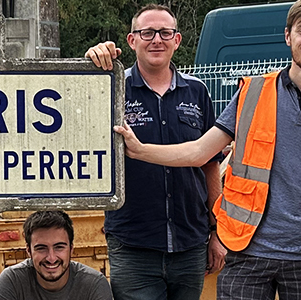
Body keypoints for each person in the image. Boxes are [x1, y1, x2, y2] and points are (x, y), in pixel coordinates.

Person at [100, 0, 301, 299]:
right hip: (246, 251)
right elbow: (199, 152)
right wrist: (140, 151)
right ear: (288, 36)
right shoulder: (253, 93)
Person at [81, 4, 224, 300]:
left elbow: (210, 164)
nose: (156, 39)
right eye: (147, 32)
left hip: (190, 241)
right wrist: (90, 64)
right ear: (132, 40)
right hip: (134, 243)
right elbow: (79, 112)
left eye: (164, 32)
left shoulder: (197, 92)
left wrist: (216, 232)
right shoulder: (113, 88)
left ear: (177, 40)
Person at [0, 211, 113, 300]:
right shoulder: (12, 280)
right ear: (28, 251)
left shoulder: (94, 284)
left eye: (59, 247)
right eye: (41, 248)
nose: (51, 258)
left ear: (71, 249)